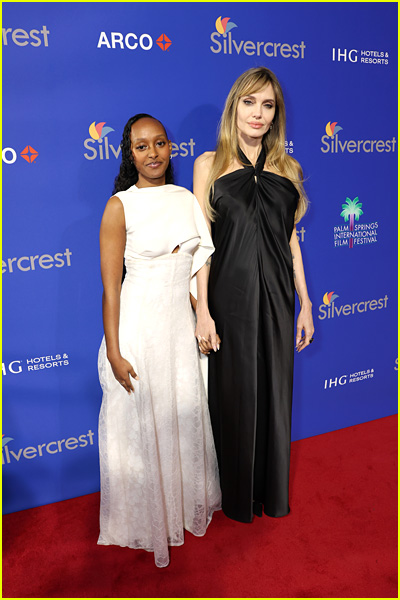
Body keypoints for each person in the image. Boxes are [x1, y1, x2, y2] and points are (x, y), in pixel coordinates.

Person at [97, 114, 221, 568]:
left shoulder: (185, 198)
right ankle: (143, 518)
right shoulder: (120, 206)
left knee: (179, 414)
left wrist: (201, 316)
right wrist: (114, 350)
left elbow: (193, 266)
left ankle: (180, 506)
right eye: (142, 147)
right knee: (141, 425)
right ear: (130, 155)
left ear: (171, 147)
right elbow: (112, 287)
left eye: (160, 144)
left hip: (176, 329)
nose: (153, 154)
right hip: (139, 329)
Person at [193, 67, 314, 523]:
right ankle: (236, 495)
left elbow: (291, 240)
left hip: (280, 297)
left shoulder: (288, 168)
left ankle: (270, 492)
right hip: (229, 297)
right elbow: (201, 245)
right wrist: (202, 309)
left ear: (275, 113)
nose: (258, 114)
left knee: (275, 393)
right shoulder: (209, 164)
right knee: (235, 394)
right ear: (234, 107)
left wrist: (304, 302)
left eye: (268, 105)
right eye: (250, 103)